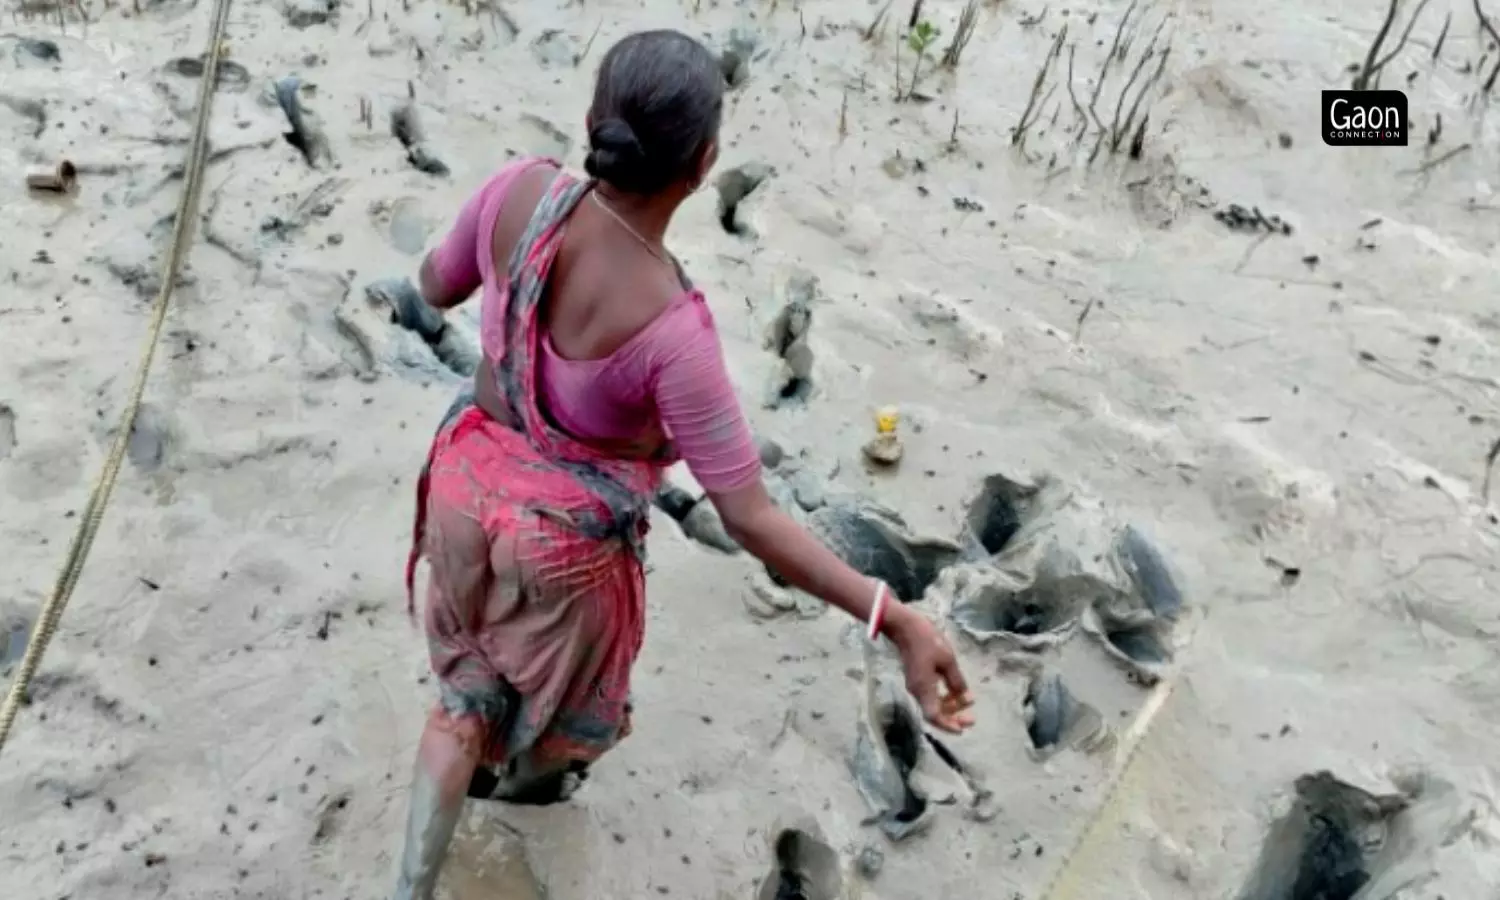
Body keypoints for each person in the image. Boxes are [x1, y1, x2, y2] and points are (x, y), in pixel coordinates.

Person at [394, 28, 974, 898]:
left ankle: (410, 884)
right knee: (550, 736)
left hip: (465, 488)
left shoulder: (517, 188)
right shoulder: (676, 332)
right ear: (705, 166)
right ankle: (526, 804)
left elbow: (435, 287)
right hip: (560, 552)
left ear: (594, 119)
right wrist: (897, 619)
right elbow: (752, 519)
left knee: (463, 701)